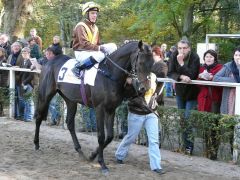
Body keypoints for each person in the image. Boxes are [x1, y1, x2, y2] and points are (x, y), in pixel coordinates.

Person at [115, 57, 167, 175]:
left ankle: (156, 166)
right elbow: (128, 96)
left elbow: (157, 95)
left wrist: (154, 104)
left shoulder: (155, 77)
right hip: (136, 112)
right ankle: (119, 155)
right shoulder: (133, 78)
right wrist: (130, 84)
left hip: (151, 113)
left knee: (154, 140)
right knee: (131, 137)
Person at [168, 39, 200, 155]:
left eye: (184, 48)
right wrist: (181, 76)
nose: (182, 50)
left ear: (189, 48)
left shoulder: (195, 57)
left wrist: (181, 63)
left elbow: (192, 74)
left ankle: (189, 146)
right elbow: (170, 72)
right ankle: (184, 144)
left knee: (188, 119)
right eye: (180, 48)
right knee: (182, 119)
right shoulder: (173, 55)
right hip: (180, 92)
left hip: (192, 93)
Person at [71, 1, 117, 77]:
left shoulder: (95, 28)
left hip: (91, 51)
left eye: (96, 13)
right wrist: (100, 48)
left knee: (113, 46)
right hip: (81, 52)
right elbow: (84, 44)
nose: (95, 15)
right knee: (101, 55)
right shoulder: (80, 26)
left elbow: (97, 43)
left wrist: (102, 47)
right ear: (86, 14)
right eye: (92, 13)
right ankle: (78, 67)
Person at [197, 49, 223, 160]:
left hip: (214, 100)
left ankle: (214, 152)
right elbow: (198, 84)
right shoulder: (201, 68)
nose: (209, 58)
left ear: (215, 58)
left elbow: (220, 84)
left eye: (211, 57)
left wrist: (211, 78)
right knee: (204, 126)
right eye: (207, 56)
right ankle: (207, 150)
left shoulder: (220, 68)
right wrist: (200, 77)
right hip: (203, 100)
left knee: (213, 126)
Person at [213, 47, 240, 115]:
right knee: (228, 118)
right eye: (235, 55)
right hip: (230, 96)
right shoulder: (228, 66)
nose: (237, 57)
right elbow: (216, 78)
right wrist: (232, 80)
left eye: (239, 55)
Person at [7, 42, 24, 120]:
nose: (16, 47)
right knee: (14, 97)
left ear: (20, 47)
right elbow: (8, 64)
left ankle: (21, 115)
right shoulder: (10, 56)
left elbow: (23, 66)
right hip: (12, 79)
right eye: (14, 46)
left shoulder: (22, 56)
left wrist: (17, 67)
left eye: (17, 46)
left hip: (19, 79)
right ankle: (15, 114)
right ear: (12, 48)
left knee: (20, 98)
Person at [19, 47, 34, 122]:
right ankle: (25, 117)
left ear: (29, 53)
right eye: (22, 53)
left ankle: (29, 117)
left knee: (29, 101)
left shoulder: (31, 61)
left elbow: (31, 76)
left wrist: (24, 82)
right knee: (24, 101)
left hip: (29, 84)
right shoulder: (22, 61)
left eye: (25, 53)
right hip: (22, 83)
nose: (24, 54)